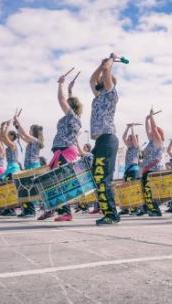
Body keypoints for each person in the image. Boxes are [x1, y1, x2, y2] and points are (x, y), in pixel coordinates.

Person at [44, 73, 83, 222]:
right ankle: (52, 209)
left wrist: (60, 83)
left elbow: (61, 100)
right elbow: (68, 101)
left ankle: (66, 212)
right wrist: (70, 90)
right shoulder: (73, 117)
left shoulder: (72, 116)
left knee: (60, 181)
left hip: (65, 151)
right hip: (62, 151)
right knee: (53, 181)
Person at [90, 55, 120, 225]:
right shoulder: (98, 95)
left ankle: (112, 215)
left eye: (103, 78)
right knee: (98, 178)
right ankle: (109, 213)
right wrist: (101, 64)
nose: (100, 78)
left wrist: (110, 61)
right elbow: (91, 80)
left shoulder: (110, 94)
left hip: (108, 139)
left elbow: (106, 71)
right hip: (101, 141)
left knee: (103, 179)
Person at [14, 116, 44, 217]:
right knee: (26, 189)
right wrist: (17, 126)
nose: (29, 131)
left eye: (30, 129)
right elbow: (23, 136)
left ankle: (30, 211)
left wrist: (18, 121)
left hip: (33, 166)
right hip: (30, 166)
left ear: (34, 132)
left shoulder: (34, 140)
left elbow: (24, 134)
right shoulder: (32, 140)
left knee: (29, 189)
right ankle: (27, 210)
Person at [138, 110, 164, 217]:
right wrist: (147, 119)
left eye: (155, 132)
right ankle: (151, 209)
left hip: (152, 169)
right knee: (146, 191)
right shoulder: (151, 141)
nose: (152, 133)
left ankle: (155, 210)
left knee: (150, 191)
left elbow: (153, 128)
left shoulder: (158, 141)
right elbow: (148, 130)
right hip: (147, 169)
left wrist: (152, 117)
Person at [120, 123, 140, 215]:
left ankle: (135, 209)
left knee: (132, 189)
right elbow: (123, 137)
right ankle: (126, 208)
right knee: (125, 189)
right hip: (127, 170)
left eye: (129, 139)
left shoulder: (136, 147)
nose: (127, 140)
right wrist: (127, 127)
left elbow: (135, 140)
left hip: (133, 170)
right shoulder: (129, 148)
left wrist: (132, 128)